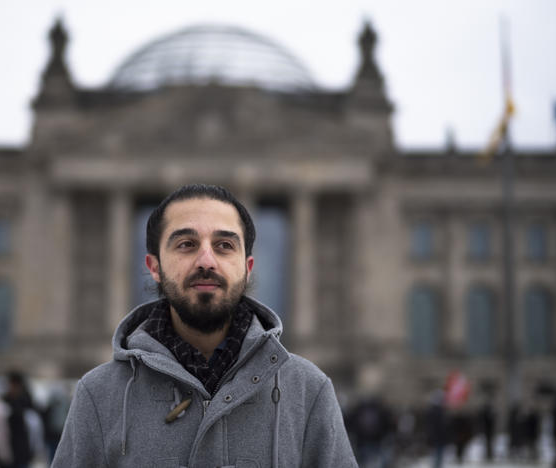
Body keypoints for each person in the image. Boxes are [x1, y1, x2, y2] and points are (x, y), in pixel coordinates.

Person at [53, 184, 357, 468]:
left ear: (248, 268)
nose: (206, 261)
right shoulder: (98, 394)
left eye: (224, 245)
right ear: (154, 267)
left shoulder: (309, 390)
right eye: (186, 244)